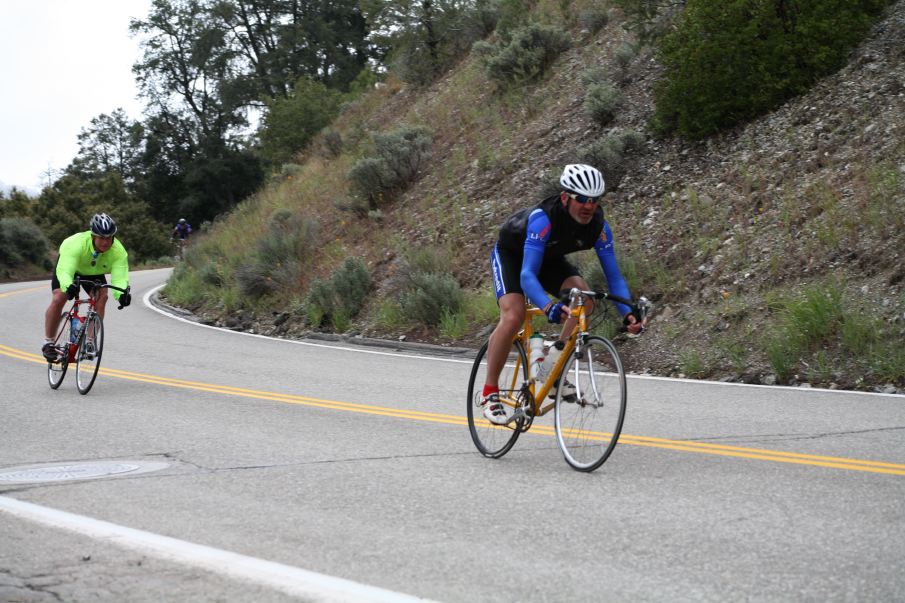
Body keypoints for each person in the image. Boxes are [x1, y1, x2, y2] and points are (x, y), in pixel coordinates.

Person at [482, 164, 648, 425]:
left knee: (585, 298)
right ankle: (490, 392)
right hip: (513, 256)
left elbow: (614, 278)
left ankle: (552, 368)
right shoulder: (543, 219)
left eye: (594, 200)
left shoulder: (599, 227)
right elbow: (527, 275)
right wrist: (548, 307)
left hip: (549, 258)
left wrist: (628, 313)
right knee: (514, 316)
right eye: (581, 199)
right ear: (564, 198)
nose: (588, 206)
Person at [42, 213, 131, 361]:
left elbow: (120, 277)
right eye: (102, 237)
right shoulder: (76, 244)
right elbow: (65, 270)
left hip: (93, 272)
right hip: (70, 268)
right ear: (93, 235)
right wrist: (68, 286)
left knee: (102, 296)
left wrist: (121, 294)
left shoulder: (118, 251)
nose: (106, 242)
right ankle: (48, 343)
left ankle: (89, 342)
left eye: (109, 237)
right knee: (59, 297)